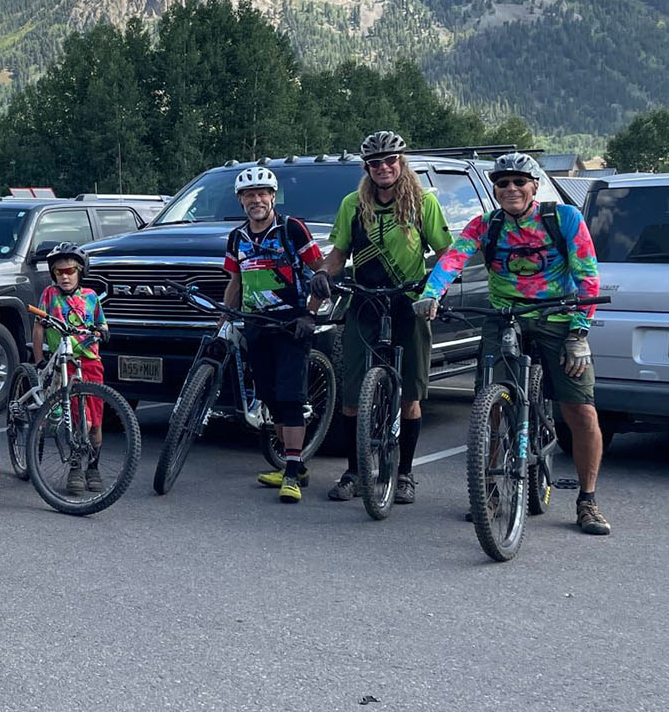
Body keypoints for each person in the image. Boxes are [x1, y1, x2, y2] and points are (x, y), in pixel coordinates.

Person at [413, 152, 609, 534]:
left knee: (580, 409)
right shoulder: (487, 225)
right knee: (492, 407)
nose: (511, 188)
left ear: (534, 185)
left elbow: (587, 275)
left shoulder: (563, 218)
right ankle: (489, 492)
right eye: (503, 183)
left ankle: (587, 499)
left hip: (559, 319)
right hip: (504, 319)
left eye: (519, 181)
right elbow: (453, 258)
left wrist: (579, 333)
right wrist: (432, 293)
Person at [302, 131, 450, 505]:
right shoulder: (353, 204)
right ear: (367, 168)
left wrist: (433, 292)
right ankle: (354, 471)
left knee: (411, 395)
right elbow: (338, 254)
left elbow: (448, 253)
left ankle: (405, 475)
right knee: (352, 393)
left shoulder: (422, 202)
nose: (384, 168)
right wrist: (324, 274)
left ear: (401, 163)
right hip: (365, 300)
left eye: (390, 161)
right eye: (376, 163)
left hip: (408, 301)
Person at [218, 167, 326, 503]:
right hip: (256, 324)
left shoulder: (291, 228)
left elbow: (319, 270)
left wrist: (310, 312)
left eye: (262, 193)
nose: (256, 200)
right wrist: (224, 319)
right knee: (270, 396)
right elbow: (235, 280)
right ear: (241, 201)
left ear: (273, 197)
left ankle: (292, 474)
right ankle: (292, 464)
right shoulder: (237, 237)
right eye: (249, 195)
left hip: (291, 324)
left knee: (291, 396)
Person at [31, 243, 111, 495]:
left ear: (80, 271)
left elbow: (103, 326)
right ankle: (76, 466)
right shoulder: (49, 295)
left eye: (69, 271)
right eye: (59, 272)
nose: (64, 276)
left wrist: (101, 332)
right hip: (64, 362)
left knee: (95, 423)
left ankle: (93, 467)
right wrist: (39, 359)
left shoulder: (90, 297)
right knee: (80, 420)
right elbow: (39, 326)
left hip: (89, 363)